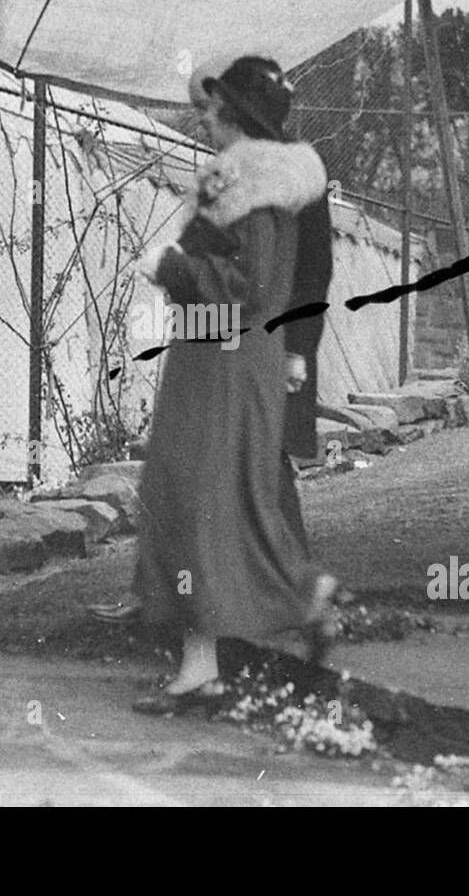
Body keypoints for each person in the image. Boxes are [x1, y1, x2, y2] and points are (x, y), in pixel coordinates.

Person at [86, 57, 335, 630]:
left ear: (236, 112)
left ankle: (288, 595)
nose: (205, 120)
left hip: (240, 352)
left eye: (212, 109)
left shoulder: (261, 181)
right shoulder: (250, 178)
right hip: (225, 350)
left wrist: (299, 347)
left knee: (231, 488)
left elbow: (292, 276)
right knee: (218, 486)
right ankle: (217, 608)